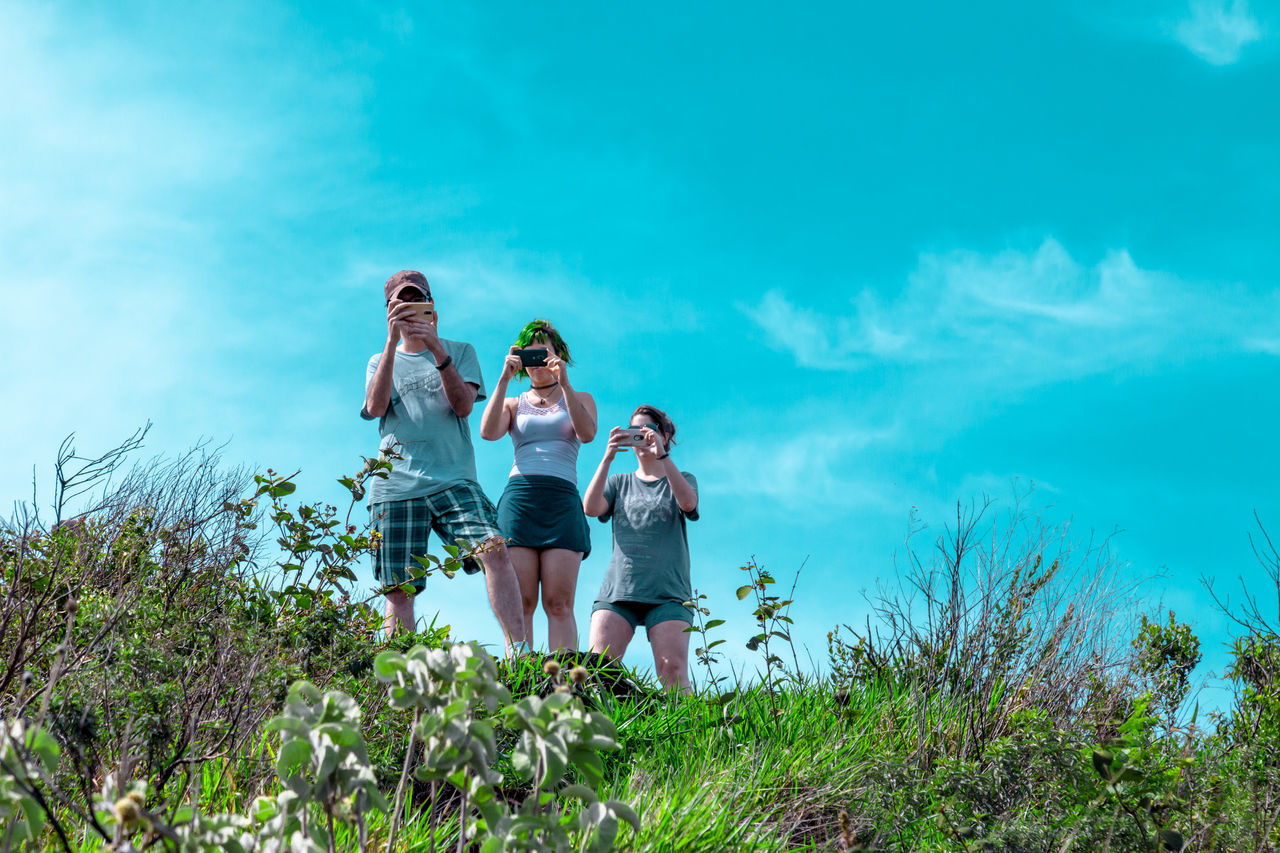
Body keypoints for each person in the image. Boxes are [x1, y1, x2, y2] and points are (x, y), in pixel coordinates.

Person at [361, 270, 527, 653]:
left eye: (416, 300)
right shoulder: (378, 360)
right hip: (395, 486)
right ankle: (400, 679)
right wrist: (391, 341)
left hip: (453, 479)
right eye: (400, 304)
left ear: (432, 306)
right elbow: (375, 406)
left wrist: (437, 349)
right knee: (399, 588)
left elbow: (463, 406)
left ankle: (519, 653)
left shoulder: (460, 351)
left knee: (494, 548)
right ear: (387, 310)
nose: (409, 310)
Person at [479, 320, 597, 651]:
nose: (538, 361)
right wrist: (503, 378)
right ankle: (523, 676)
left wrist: (565, 384)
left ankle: (565, 683)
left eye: (544, 352)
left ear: (558, 355)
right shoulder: (515, 402)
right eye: (530, 353)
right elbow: (488, 432)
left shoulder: (580, 396)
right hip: (520, 500)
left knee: (559, 603)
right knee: (523, 601)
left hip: (561, 499)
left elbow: (587, 434)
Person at [582, 405, 699, 691]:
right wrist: (607, 459)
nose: (642, 437)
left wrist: (662, 455)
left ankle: (685, 733)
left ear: (665, 434)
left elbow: (688, 504)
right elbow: (590, 507)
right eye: (636, 431)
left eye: (649, 430)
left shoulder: (682, 478)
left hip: (669, 592)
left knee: (672, 671)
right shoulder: (619, 482)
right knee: (597, 669)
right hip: (620, 590)